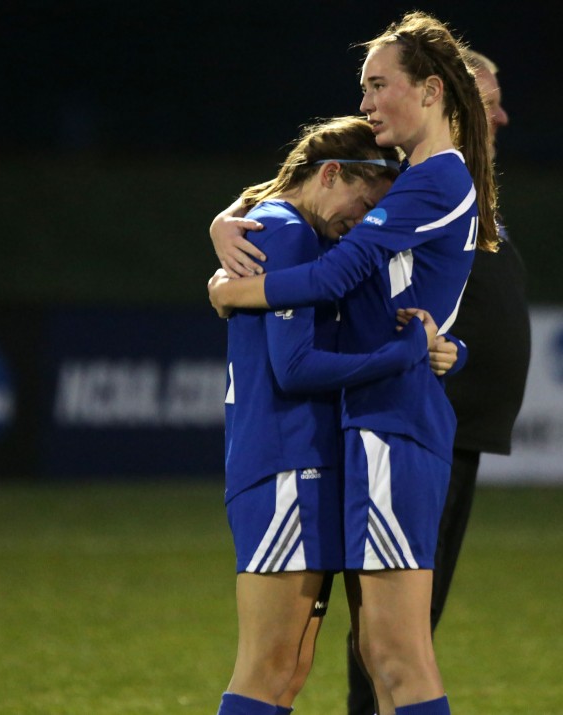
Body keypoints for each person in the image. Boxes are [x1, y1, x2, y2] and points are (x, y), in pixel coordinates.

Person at [207, 12, 497, 715]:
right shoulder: (415, 180)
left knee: (395, 659)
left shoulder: (432, 181)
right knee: (372, 655)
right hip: (375, 426)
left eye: (376, 85)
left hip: (391, 427)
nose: (365, 103)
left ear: (430, 91)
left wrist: (231, 288)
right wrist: (228, 215)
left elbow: (337, 275)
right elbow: (305, 193)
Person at [211, 115, 438, 715]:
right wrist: (402, 357)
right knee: (269, 667)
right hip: (286, 463)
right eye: (362, 205)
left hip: (304, 464)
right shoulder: (287, 231)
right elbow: (294, 369)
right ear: (331, 172)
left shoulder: (298, 229)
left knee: (288, 669)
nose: (359, 226)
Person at [343, 47, 531, 715]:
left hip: (454, 428)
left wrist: (455, 346)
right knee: (395, 639)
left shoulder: (460, 182)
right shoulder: (409, 179)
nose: (501, 115)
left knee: (405, 633)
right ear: (439, 98)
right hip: (418, 425)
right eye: (487, 101)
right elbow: (306, 196)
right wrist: (229, 229)